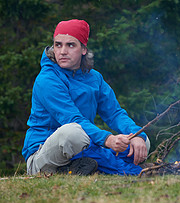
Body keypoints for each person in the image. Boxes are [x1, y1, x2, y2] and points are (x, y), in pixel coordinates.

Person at [22, 19, 150, 176]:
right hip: (43, 156)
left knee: (142, 142)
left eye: (70, 45)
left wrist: (137, 135)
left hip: (83, 146)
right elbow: (72, 119)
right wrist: (108, 139)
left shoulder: (94, 77)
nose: (62, 51)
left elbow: (115, 113)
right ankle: (119, 168)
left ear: (83, 49)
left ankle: (80, 168)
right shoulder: (47, 80)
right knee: (73, 132)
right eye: (58, 44)